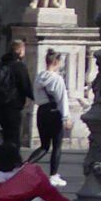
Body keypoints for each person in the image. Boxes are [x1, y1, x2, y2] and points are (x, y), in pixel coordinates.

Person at [0, 35, 34, 156]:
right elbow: (25, 87)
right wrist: (39, 99)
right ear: (20, 51)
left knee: (7, 137)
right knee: (14, 139)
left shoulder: (0, 65)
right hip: (13, 105)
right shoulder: (19, 66)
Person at [31, 49, 71, 187]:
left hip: (42, 110)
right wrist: (66, 117)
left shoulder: (39, 77)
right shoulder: (57, 79)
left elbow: (35, 95)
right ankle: (53, 175)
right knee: (57, 146)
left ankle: (24, 166)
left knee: (44, 146)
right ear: (56, 62)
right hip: (54, 112)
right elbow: (62, 99)